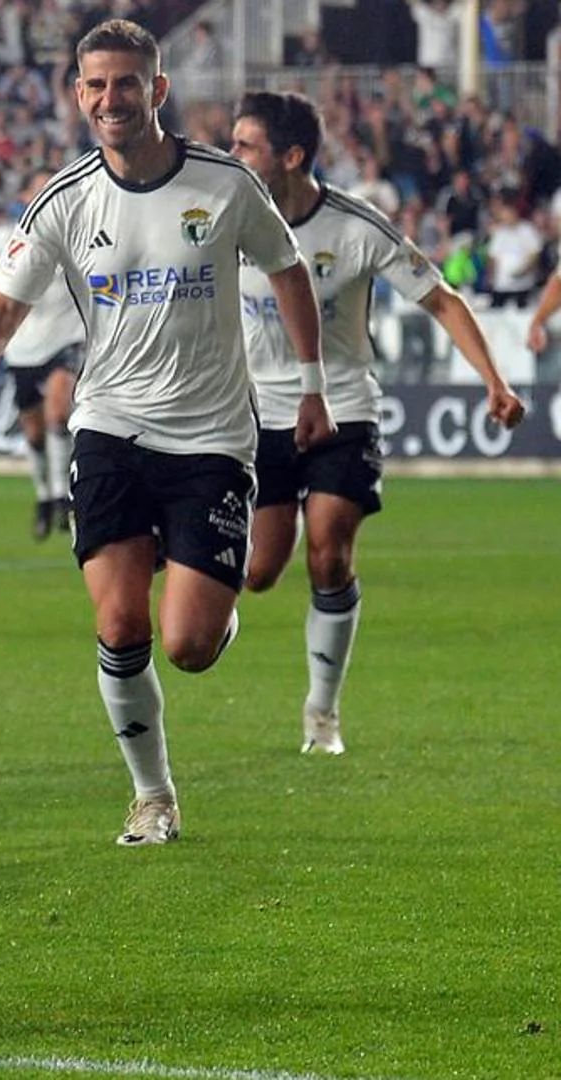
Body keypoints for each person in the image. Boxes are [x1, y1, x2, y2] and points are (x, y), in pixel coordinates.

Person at [0, 20, 329, 846]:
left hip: (211, 436)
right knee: (118, 626)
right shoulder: (64, 201)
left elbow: (288, 271)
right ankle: (154, 797)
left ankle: (207, 599)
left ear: (158, 90)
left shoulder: (225, 184)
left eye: (127, 83)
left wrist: (313, 386)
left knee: (189, 645)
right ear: (79, 95)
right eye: (96, 85)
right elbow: (3, 308)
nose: (112, 99)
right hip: (108, 427)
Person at [229, 91, 526, 754]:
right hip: (259, 414)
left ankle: (322, 713)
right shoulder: (229, 221)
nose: (233, 156)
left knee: (329, 551)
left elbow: (441, 301)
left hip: (343, 408)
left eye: (245, 145)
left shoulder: (356, 226)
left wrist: (495, 380)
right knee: (259, 571)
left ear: (292, 156)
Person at [0, 170, 88, 540]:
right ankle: (44, 496)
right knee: (33, 431)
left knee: (59, 411)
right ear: (25, 196)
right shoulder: (6, 238)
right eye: (41, 189)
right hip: (22, 347)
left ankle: (63, 497)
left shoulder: (80, 233)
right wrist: (4, 286)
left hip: (67, 338)